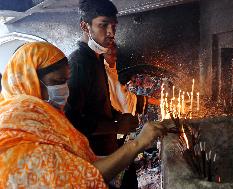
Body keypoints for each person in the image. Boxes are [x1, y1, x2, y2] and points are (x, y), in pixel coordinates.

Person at [0, 42, 166, 188]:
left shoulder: (45, 118)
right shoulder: (17, 131)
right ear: (29, 80)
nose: (65, 89)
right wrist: (137, 143)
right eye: (57, 82)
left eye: (66, 81)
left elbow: (79, 164)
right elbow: (81, 179)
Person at [65, 0, 159, 157]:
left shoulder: (97, 59)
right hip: (92, 155)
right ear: (84, 26)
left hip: (106, 147)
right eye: (103, 25)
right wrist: (116, 127)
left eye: (114, 26)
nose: (111, 32)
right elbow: (72, 121)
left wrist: (119, 116)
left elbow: (100, 104)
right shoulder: (78, 64)